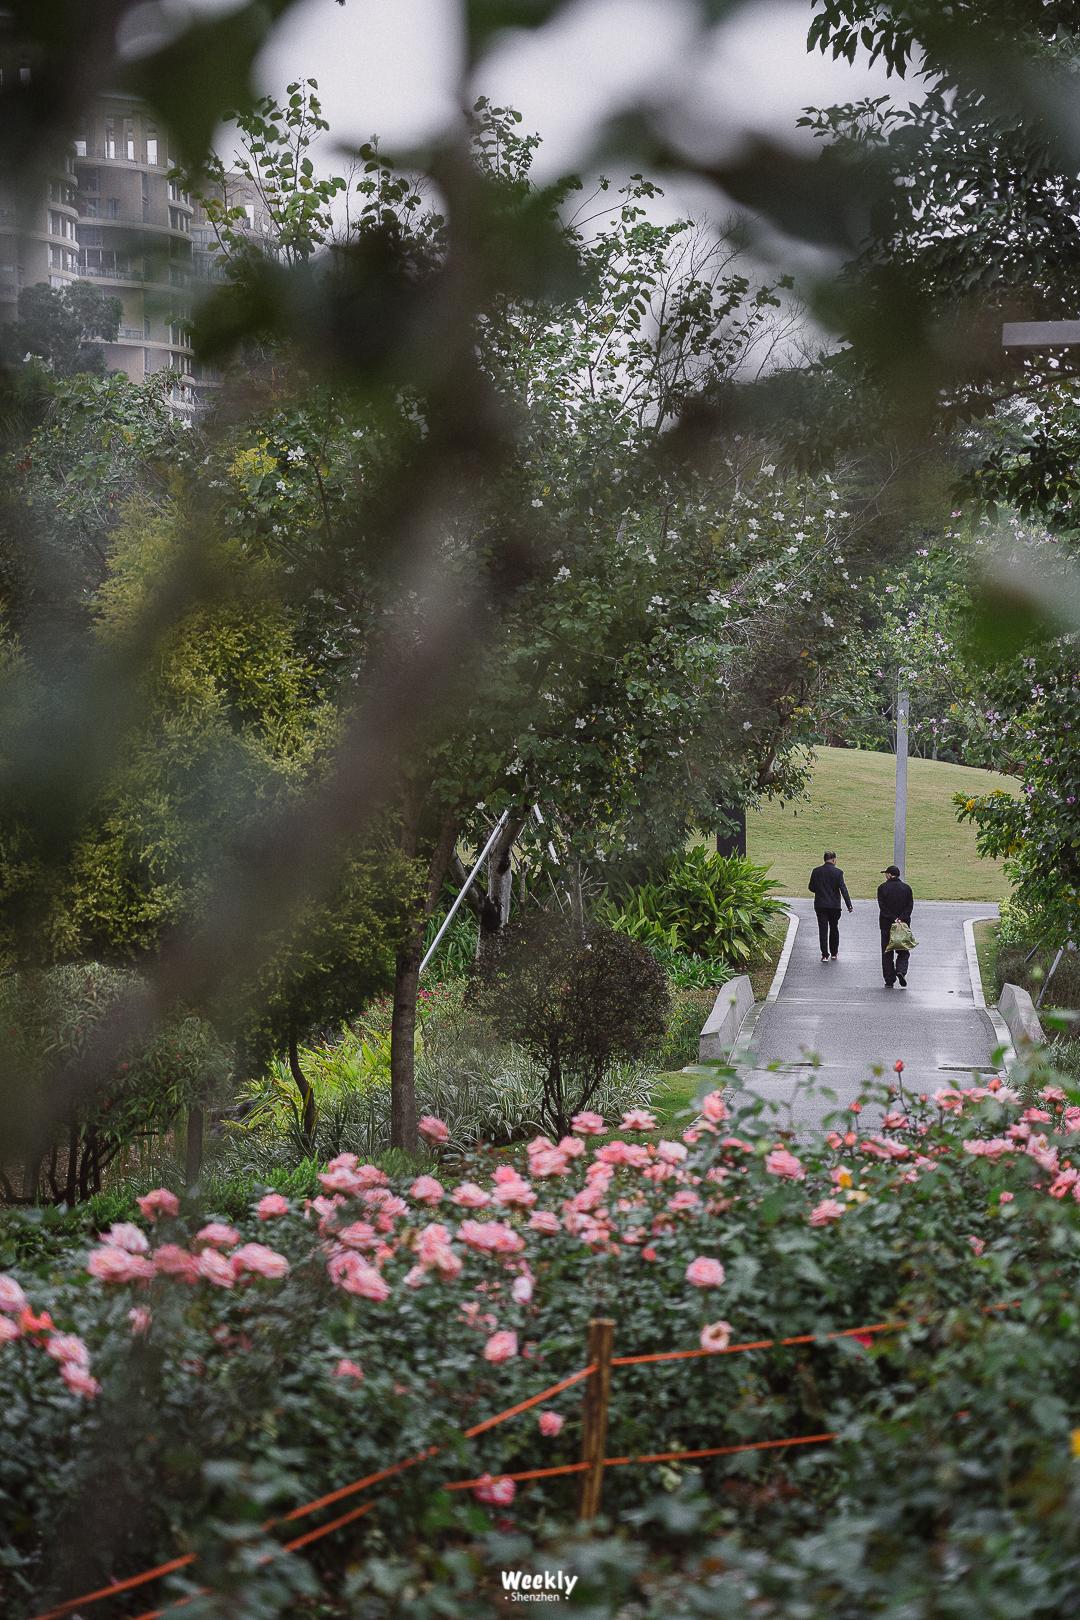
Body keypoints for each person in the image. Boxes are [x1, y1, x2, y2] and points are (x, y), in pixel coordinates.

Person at [808, 851, 853, 962]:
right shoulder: (838, 873)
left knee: (823, 930)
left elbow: (811, 887)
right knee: (834, 928)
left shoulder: (816, 871)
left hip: (820, 905)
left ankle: (824, 954)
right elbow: (843, 889)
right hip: (834, 906)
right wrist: (849, 905)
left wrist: (820, 890)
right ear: (833, 860)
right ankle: (834, 953)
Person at [878, 863, 915, 987]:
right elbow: (910, 906)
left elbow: (882, 907)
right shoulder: (907, 888)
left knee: (887, 952)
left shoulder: (882, 888)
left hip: (886, 925)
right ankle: (901, 971)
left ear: (889, 875)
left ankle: (889, 980)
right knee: (903, 950)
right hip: (902, 925)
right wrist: (901, 918)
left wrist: (893, 918)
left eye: (886, 874)